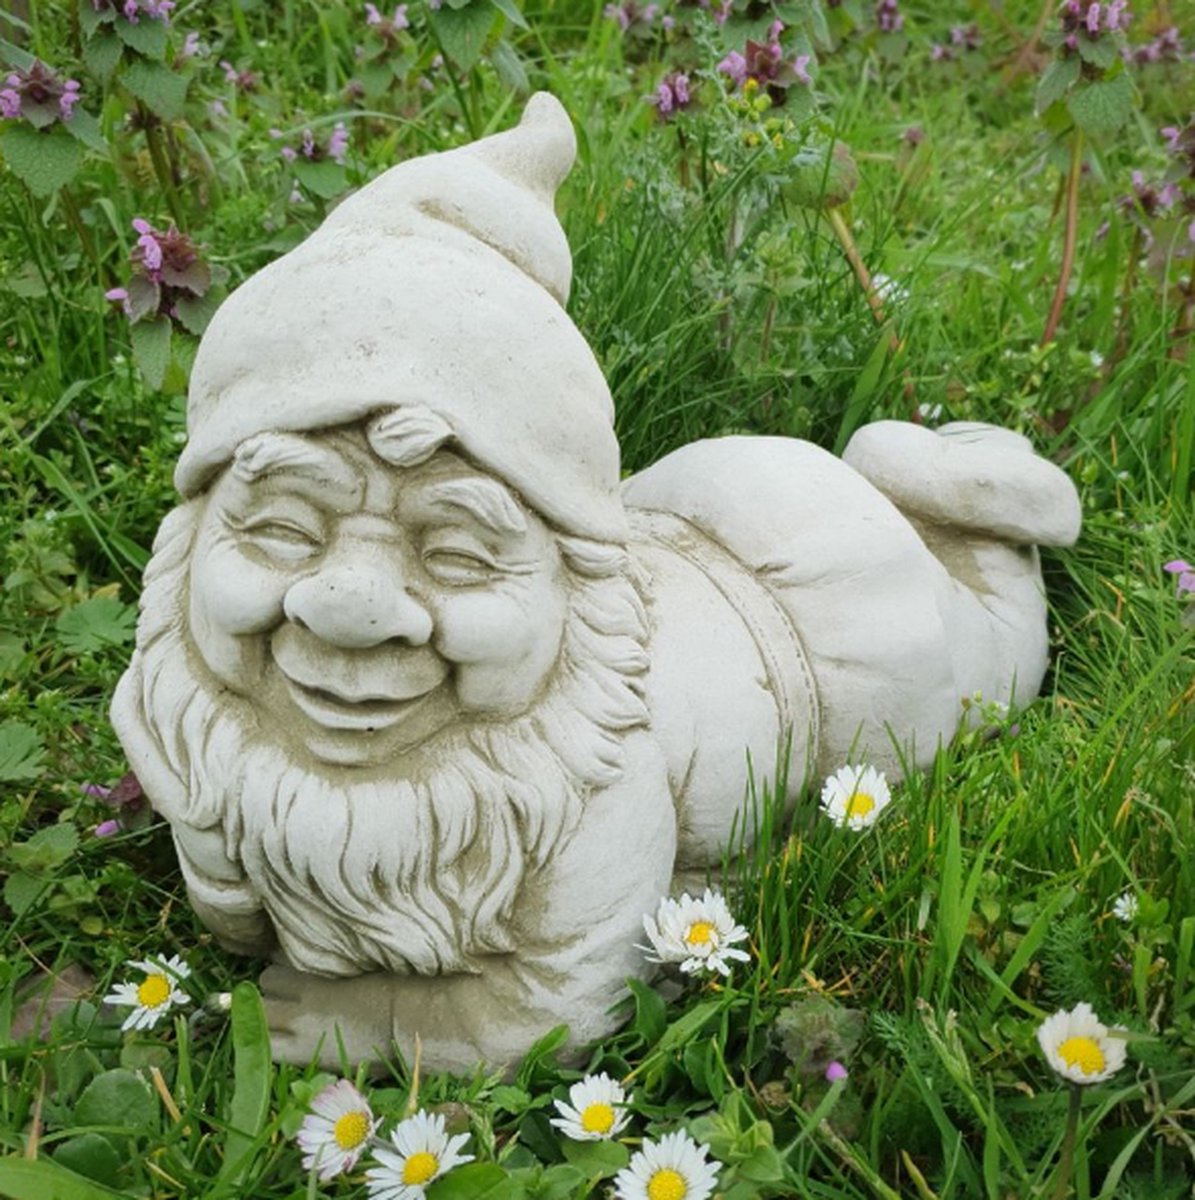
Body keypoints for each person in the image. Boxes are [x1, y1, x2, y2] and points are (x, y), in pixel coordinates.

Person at [112, 94, 1079, 1072]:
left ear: (566, 579)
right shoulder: (202, 710)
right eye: (280, 527)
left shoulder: (590, 771)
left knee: (981, 658)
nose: (350, 608)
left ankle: (968, 497)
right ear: (195, 531)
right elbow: (234, 905)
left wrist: (386, 1023)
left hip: (812, 599)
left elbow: (577, 995)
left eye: (452, 552)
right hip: (687, 512)